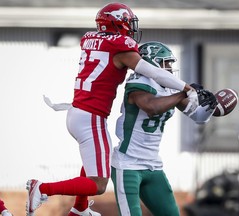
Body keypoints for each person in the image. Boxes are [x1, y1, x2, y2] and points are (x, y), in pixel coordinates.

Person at [26, 2, 199, 216]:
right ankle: (42, 189)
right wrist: (185, 87)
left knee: (96, 162)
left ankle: (79, 208)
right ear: (118, 24)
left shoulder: (91, 39)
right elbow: (153, 71)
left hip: (78, 112)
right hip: (91, 117)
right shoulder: (121, 47)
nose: (131, 28)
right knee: (99, 183)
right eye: (127, 23)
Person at [111, 41, 218, 216]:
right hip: (127, 164)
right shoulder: (138, 81)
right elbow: (151, 107)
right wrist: (183, 92)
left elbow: (198, 117)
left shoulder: (168, 88)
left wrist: (212, 106)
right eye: (165, 62)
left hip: (153, 165)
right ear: (151, 62)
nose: (169, 68)